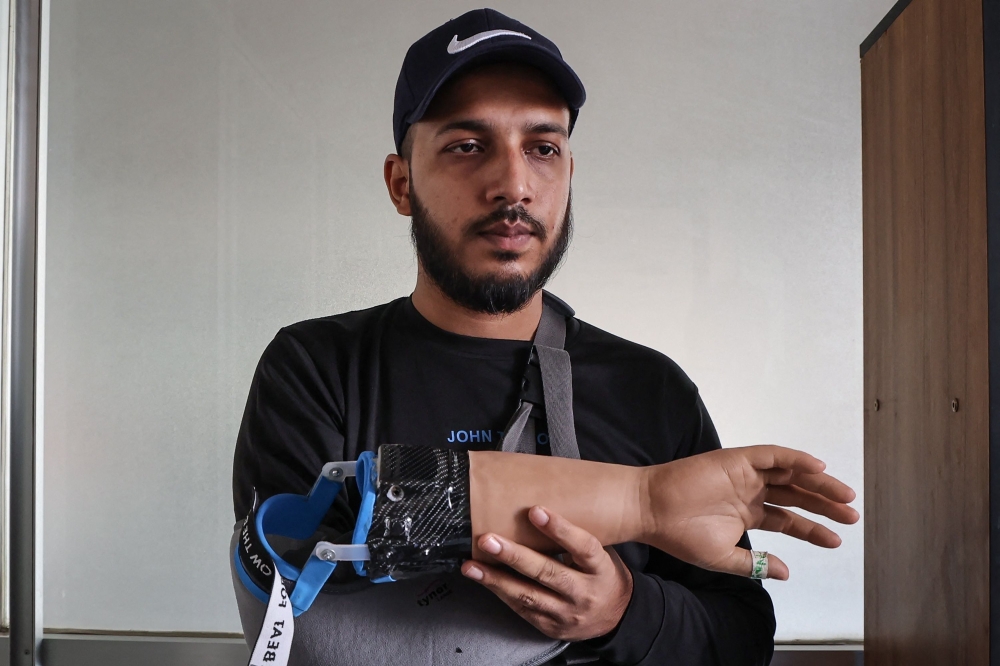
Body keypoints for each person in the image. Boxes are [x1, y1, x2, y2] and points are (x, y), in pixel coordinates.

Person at [232, 8, 854, 665]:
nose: (514, 184)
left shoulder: (651, 390)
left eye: (543, 147)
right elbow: (295, 595)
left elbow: (740, 641)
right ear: (401, 182)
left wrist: (623, 611)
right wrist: (644, 502)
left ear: (568, 176)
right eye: (468, 145)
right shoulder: (314, 368)